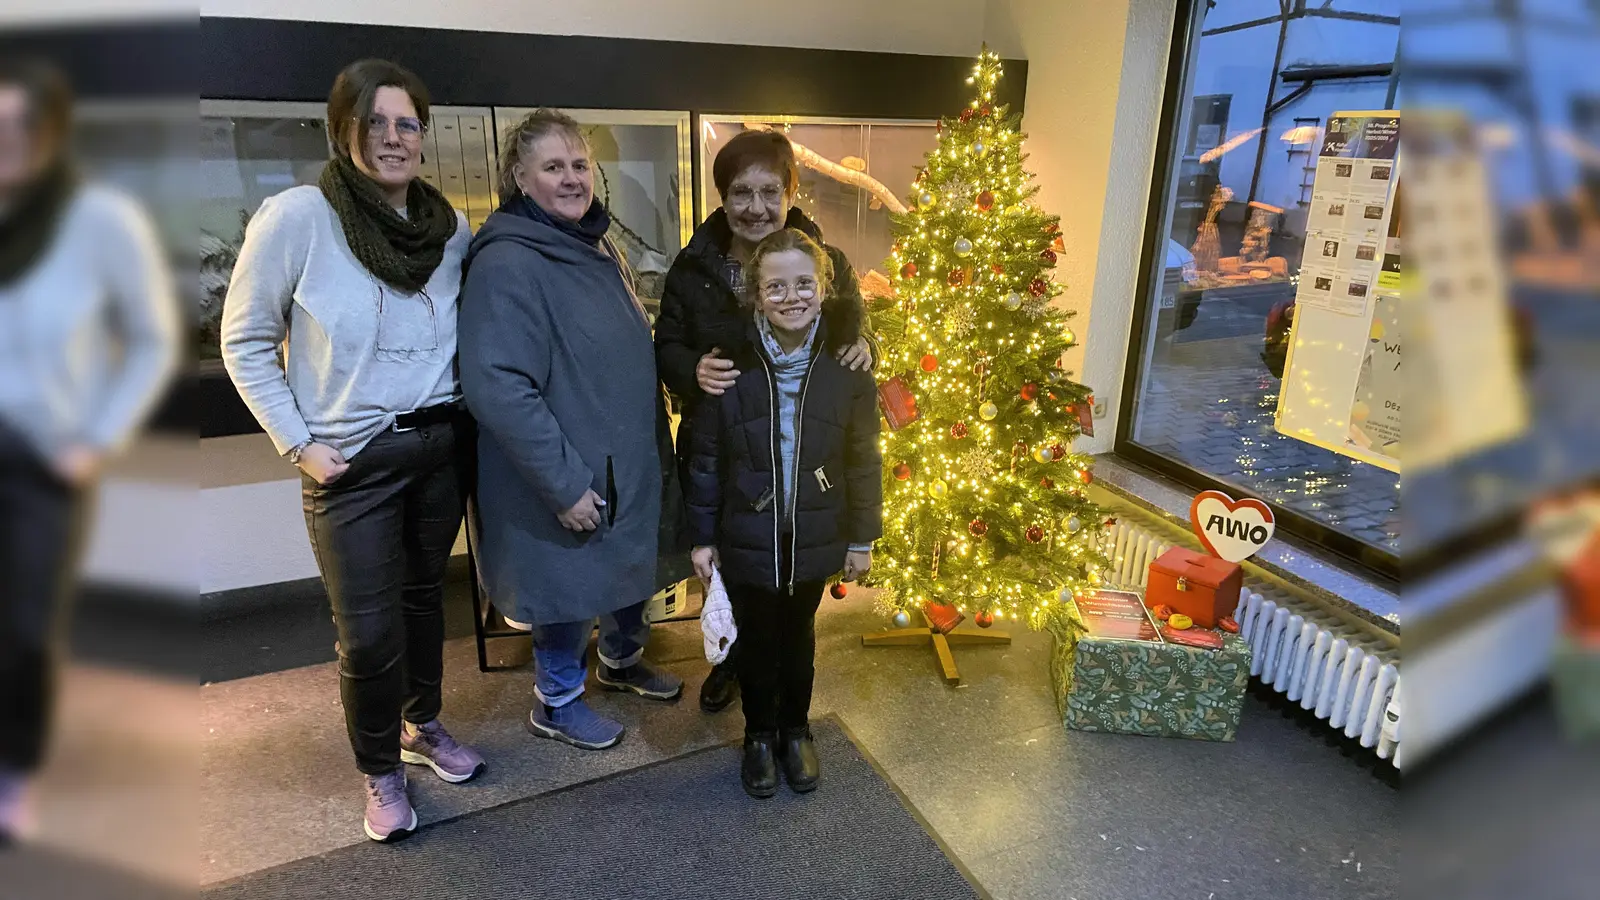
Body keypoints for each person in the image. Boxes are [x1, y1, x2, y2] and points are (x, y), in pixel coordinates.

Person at [221, 59, 485, 844]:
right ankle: (380, 771)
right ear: (345, 130)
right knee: (368, 633)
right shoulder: (299, 216)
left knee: (422, 605)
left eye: (408, 124)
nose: (395, 138)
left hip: (439, 447)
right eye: (377, 123)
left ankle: (422, 726)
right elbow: (243, 338)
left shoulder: (450, 228)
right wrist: (299, 444)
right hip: (352, 463)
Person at [459, 109, 683, 753]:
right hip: (564, 473)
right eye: (553, 167)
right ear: (520, 179)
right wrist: (562, 485)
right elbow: (498, 383)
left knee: (624, 568)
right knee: (567, 585)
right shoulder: (508, 262)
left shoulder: (592, 243)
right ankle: (556, 702)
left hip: (620, 453)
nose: (572, 178)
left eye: (580, 164)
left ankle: (620, 661)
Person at [0, 58, 180, 846]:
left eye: (15, 127)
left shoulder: (97, 219)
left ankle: (14, 773)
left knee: (24, 631)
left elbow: (150, 339)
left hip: (41, 462)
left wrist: (94, 439)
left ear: (47, 131)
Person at [656, 129, 875, 715]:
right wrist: (690, 369)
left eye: (768, 192)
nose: (754, 207)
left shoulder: (823, 257)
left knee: (787, 579)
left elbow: (850, 321)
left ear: (790, 193)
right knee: (736, 572)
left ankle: (775, 691)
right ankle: (734, 659)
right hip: (723, 442)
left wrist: (865, 345)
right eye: (740, 193)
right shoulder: (696, 263)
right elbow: (667, 342)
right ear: (722, 197)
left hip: (799, 446)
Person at [685, 228, 883, 798]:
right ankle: (758, 735)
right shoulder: (730, 364)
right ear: (755, 294)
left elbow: (864, 458)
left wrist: (862, 537)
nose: (792, 296)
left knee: (798, 637)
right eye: (776, 286)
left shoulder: (848, 364)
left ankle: (795, 730)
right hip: (748, 530)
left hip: (815, 529)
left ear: (824, 287)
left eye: (804, 283)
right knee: (756, 638)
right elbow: (706, 455)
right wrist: (702, 536)